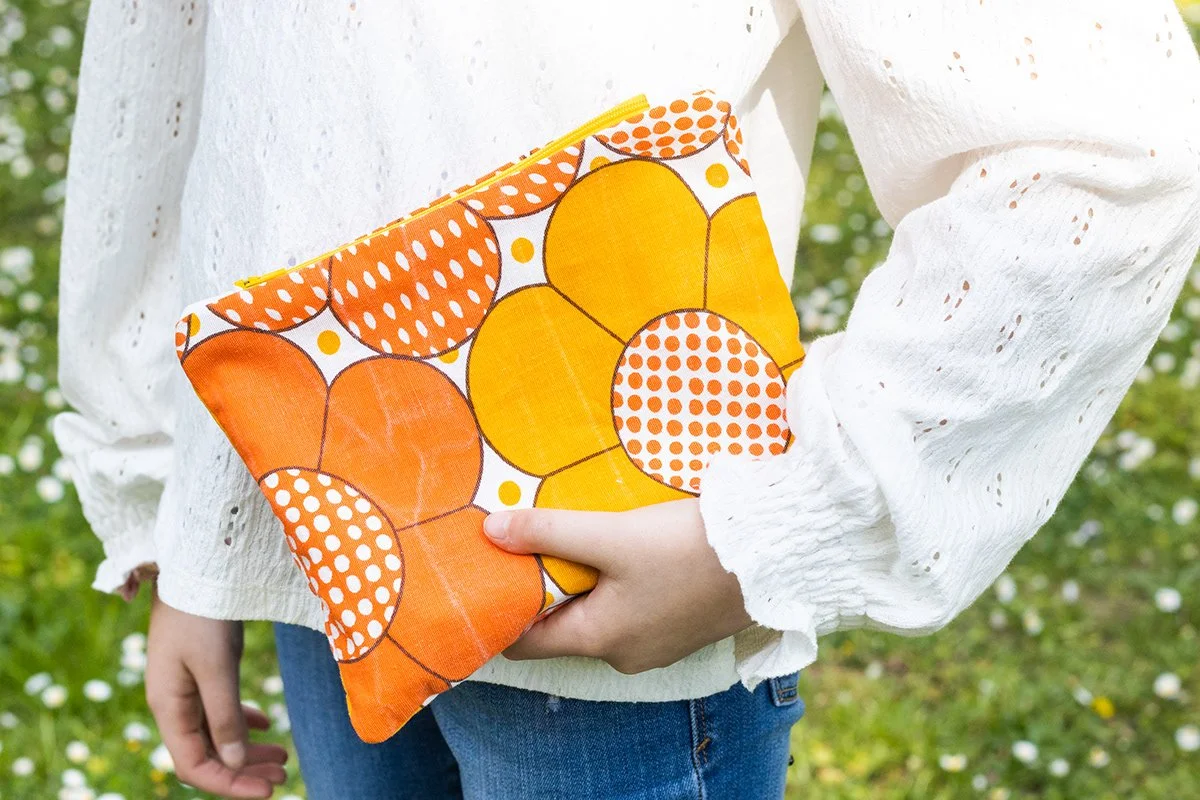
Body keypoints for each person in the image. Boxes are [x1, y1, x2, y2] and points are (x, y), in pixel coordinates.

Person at [55, 1, 1200, 798]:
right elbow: (172, 65)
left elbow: (1105, 150)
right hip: (318, 514)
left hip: (619, 587)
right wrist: (178, 500)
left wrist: (768, 525)